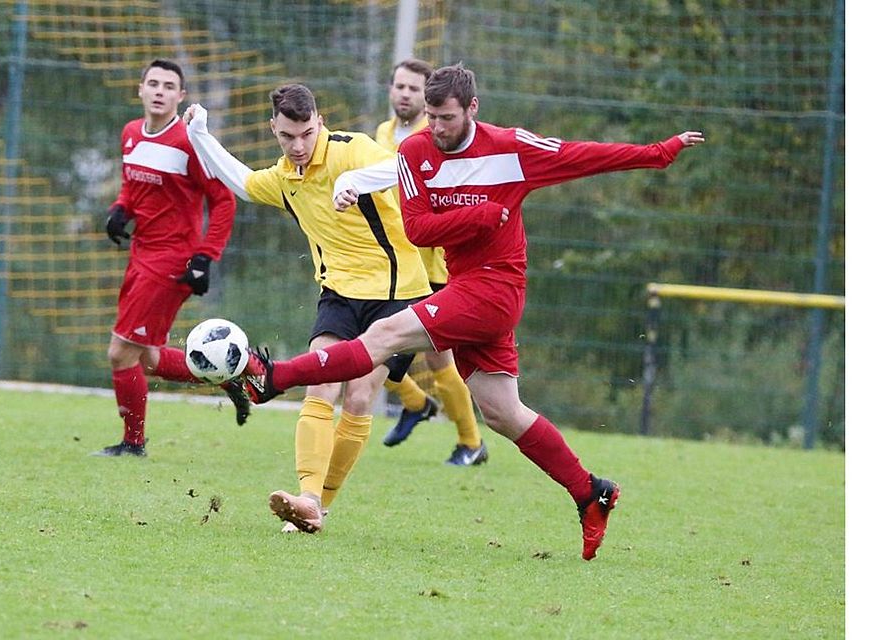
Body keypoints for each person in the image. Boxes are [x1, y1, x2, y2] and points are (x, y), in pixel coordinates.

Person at [237, 63, 705, 560]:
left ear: (472, 109)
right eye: (432, 117)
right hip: (464, 285)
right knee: (503, 411)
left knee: (385, 335)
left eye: (447, 118)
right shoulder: (415, 152)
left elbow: (581, 156)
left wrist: (659, 153)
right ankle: (591, 492)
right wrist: (481, 214)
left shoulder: (510, 148)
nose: (436, 128)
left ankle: (273, 376)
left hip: (497, 288)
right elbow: (417, 231)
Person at [183, 84, 433, 533]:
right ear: (274, 130)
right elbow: (241, 183)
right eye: (287, 137)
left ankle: (322, 505)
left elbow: (403, 168)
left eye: (306, 133)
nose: (298, 146)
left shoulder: (352, 150)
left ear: (319, 121)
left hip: (397, 291)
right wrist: (201, 134)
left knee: (359, 395)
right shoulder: (285, 179)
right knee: (320, 388)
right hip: (337, 292)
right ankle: (308, 501)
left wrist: (356, 183)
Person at [94, 59, 245, 458]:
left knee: (120, 352)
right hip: (141, 253)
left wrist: (205, 257)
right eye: (153, 83)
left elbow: (224, 202)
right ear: (140, 89)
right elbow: (131, 185)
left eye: (169, 86)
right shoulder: (131, 134)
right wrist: (120, 209)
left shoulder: (189, 143)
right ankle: (237, 374)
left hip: (172, 260)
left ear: (181, 96)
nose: (160, 91)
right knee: (149, 356)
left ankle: (133, 443)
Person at [375, 58, 486, 466]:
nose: (405, 94)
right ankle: (428, 411)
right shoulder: (382, 134)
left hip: (432, 267)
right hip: (390, 264)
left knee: (420, 356)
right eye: (398, 86)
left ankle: (468, 439)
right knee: (378, 347)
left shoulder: (438, 137)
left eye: (413, 89)